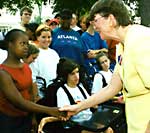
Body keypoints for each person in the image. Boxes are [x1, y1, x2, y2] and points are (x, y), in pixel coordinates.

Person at [60, 0, 150, 132]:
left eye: (95, 20)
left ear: (111, 19)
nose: (93, 26)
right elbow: (112, 87)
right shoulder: (122, 45)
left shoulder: (141, 40)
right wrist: (78, 107)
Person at [0, 29, 65, 133]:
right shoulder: (3, 72)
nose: (26, 47)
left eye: (27, 43)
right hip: (9, 121)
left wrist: (33, 118)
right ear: (10, 45)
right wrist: (50, 110)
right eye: (22, 43)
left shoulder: (26, 67)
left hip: (26, 119)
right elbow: (19, 102)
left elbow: (30, 95)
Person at [30, 24, 60, 98]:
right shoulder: (34, 54)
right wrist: (36, 96)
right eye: (43, 37)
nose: (47, 40)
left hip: (53, 91)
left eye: (49, 37)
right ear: (38, 37)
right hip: (40, 92)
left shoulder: (54, 53)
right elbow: (32, 77)